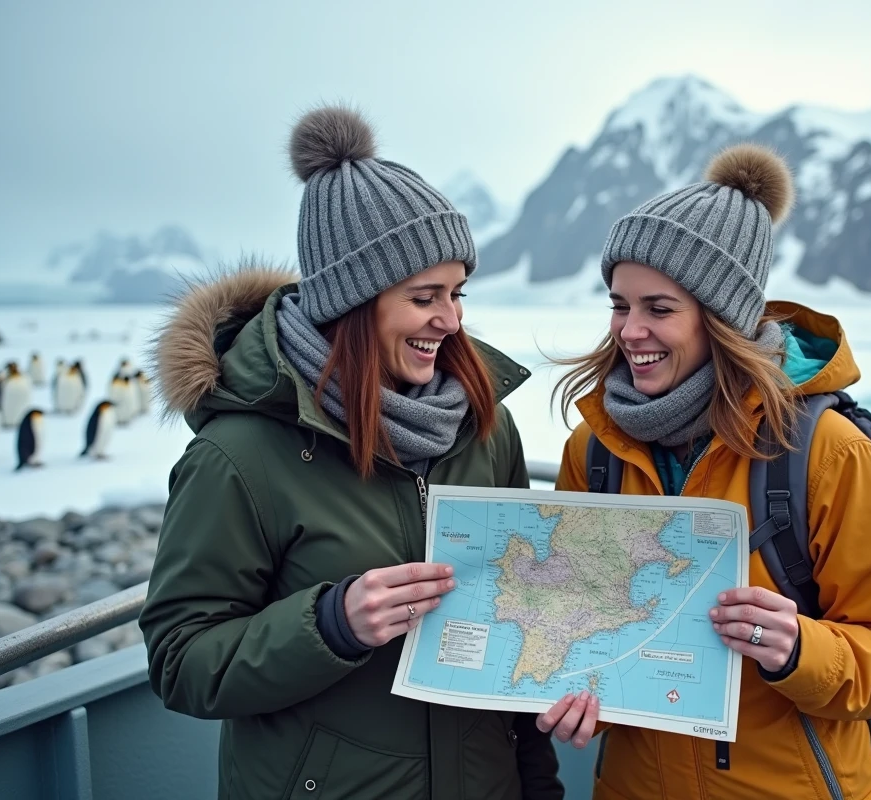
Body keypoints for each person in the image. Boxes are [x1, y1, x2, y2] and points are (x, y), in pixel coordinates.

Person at [139, 105, 563, 800]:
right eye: (424, 296)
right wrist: (329, 623)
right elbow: (182, 661)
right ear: (352, 304)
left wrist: (537, 784)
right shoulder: (239, 454)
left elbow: (515, 618)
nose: (451, 320)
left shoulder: (483, 425)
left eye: (457, 293)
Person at [537, 143, 871, 799]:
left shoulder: (827, 452)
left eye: (658, 309)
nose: (629, 331)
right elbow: (578, 623)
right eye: (619, 305)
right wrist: (578, 679)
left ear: (721, 319)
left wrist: (799, 649)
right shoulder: (596, 451)